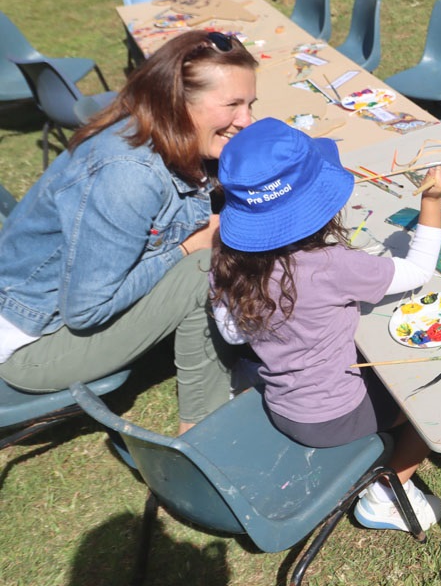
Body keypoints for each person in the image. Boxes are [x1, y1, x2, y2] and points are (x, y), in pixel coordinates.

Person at [0, 30, 257, 434]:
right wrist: (186, 249)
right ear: (177, 101)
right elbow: (86, 312)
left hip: (49, 314)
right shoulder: (128, 175)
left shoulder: (154, 130)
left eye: (250, 104)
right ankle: (203, 431)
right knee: (202, 268)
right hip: (31, 346)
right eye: (233, 105)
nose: (247, 120)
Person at [209, 118, 441, 532]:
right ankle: (386, 494)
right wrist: (431, 201)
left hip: (282, 403)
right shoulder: (330, 265)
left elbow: (232, 331)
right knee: (432, 406)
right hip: (333, 416)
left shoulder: (226, 260)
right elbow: (416, 271)